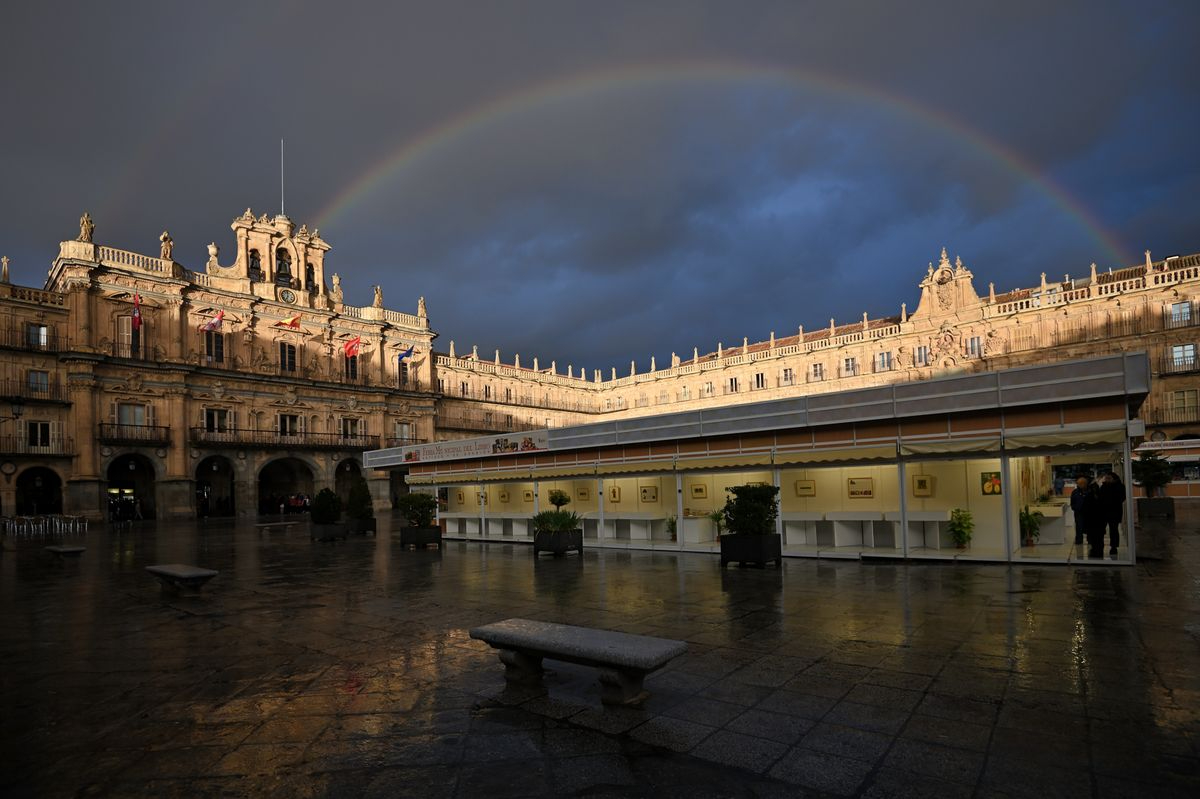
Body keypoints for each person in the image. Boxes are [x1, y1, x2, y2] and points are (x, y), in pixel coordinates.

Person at [1099, 472, 1126, 554]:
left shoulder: (1120, 486)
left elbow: (1122, 498)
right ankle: (1099, 545)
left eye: (1108, 478)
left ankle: (1114, 547)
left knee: (1113, 530)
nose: (1106, 480)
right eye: (1106, 478)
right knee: (1100, 530)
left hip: (1114, 512)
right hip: (1103, 512)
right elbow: (1100, 498)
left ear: (1114, 479)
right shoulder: (1103, 486)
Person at [1069, 475, 1092, 545]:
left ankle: (1090, 539)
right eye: (1079, 484)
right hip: (1078, 512)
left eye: (1082, 483)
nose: (1080, 485)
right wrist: (1074, 507)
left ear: (1085, 483)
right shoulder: (1075, 492)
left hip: (1089, 512)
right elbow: (1072, 502)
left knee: (1089, 526)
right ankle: (1079, 540)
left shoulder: (1090, 491)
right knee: (1079, 526)